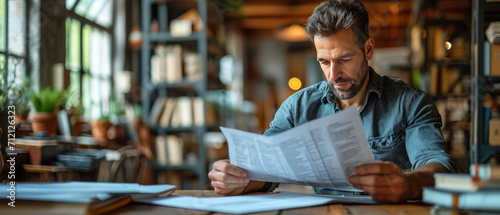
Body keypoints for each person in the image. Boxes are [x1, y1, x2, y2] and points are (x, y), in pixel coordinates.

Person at [208, 0, 457, 203]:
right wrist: (239, 179)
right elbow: (266, 169)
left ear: (368, 49)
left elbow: (438, 165)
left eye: (345, 59)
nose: (333, 74)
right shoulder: (297, 107)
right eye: (324, 62)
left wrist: (408, 183)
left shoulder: (410, 103)